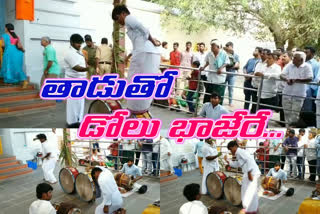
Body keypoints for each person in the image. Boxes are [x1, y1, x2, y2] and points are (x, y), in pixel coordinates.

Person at [112, 5, 161, 114]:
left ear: (122, 14)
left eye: (117, 18)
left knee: (133, 79)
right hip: (150, 53)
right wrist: (129, 56)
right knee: (145, 80)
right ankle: (142, 108)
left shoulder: (128, 18)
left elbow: (143, 29)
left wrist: (153, 41)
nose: (118, 22)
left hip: (144, 53)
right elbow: (139, 40)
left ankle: (135, 109)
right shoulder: (132, 23)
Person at [224, 140, 261, 214]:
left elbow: (249, 160)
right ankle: (251, 208)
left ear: (235, 146)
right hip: (249, 173)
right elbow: (239, 163)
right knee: (248, 191)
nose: (231, 152)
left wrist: (249, 173)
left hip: (251, 173)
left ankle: (250, 209)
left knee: (249, 192)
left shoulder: (240, 152)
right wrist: (229, 162)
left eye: (231, 149)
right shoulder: (239, 153)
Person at [280, 51, 313, 126]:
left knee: (295, 114)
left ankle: (293, 129)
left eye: (295, 58)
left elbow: (310, 78)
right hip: (287, 93)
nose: (293, 59)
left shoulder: (307, 66)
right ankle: (287, 128)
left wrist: (296, 80)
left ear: (301, 60)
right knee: (286, 112)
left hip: (299, 94)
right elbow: (281, 75)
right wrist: (287, 79)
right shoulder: (289, 65)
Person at [64, 34, 88, 128]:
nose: (79, 45)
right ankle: (72, 123)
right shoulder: (69, 53)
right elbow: (76, 67)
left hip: (81, 81)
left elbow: (83, 63)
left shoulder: (79, 52)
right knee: (73, 103)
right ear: (72, 42)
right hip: (72, 81)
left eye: (80, 43)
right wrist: (88, 70)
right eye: (77, 43)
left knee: (80, 103)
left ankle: (79, 121)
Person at [200, 40, 230, 104]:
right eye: (211, 46)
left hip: (220, 78)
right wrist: (203, 67)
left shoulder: (223, 53)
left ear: (218, 47)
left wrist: (221, 68)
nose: (211, 47)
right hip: (211, 77)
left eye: (213, 46)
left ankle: (217, 111)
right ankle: (206, 110)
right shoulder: (209, 53)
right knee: (208, 95)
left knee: (218, 96)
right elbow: (207, 61)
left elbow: (227, 62)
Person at [251, 48, 269, 113]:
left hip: (262, 88)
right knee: (254, 103)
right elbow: (254, 72)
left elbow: (263, 74)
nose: (261, 55)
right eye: (261, 53)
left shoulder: (268, 64)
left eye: (264, 54)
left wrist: (259, 74)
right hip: (254, 86)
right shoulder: (258, 62)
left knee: (260, 106)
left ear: (268, 55)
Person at [277, 51, 293, 126]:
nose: (282, 58)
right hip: (282, 89)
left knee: (285, 108)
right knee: (282, 107)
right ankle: (282, 121)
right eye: (282, 56)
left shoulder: (290, 66)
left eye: (285, 56)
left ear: (290, 57)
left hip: (287, 90)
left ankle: (284, 123)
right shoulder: (285, 65)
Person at [303, 47, 319, 112]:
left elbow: (316, 78)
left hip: (309, 90)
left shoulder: (316, 64)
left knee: (307, 109)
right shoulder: (302, 62)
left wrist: (311, 89)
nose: (304, 54)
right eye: (304, 52)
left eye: (306, 52)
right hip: (300, 88)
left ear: (312, 54)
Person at [225, 42, 240, 107]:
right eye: (226, 46)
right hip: (224, 74)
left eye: (228, 46)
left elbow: (238, 65)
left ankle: (230, 102)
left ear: (231, 47)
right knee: (222, 87)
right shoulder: (224, 54)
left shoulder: (236, 55)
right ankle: (220, 100)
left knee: (230, 89)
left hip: (232, 74)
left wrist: (233, 66)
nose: (227, 47)